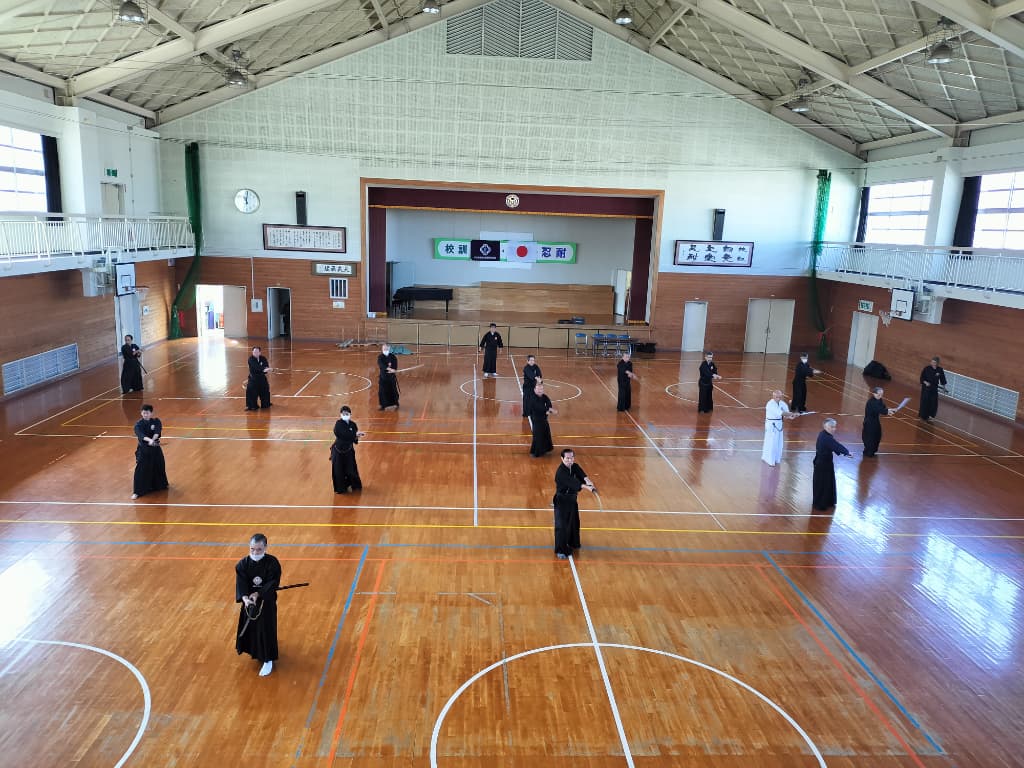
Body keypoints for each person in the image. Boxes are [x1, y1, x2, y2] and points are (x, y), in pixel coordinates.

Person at [235, 533, 281, 677]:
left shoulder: (272, 563)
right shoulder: (242, 564)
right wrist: (245, 599)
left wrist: (258, 594)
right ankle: (256, 651)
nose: (255, 553)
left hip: (266, 601)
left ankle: (268, 659)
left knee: (266, 629)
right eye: (252, 549)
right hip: (250, 603)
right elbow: (241, 583)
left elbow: (273, 582)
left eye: (259, 549)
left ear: (265, 547)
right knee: (252, 628)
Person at [552, 448, 596, 559]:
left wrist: (589, 481)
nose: (570, 460)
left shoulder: (574, 466)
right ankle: (560, 550)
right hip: (562, 500)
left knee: (573, 522)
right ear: (562, 458)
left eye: (572, 458)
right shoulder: (561, 472)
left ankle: (573, 543)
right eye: (567, 458)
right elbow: (574, 483)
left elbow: (581, 474)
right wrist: (587, 487)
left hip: (572, 499)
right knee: (561, 526)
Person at [812, 418, 851, 512]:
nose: (834, 429)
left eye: (834, 427)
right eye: (832, 427)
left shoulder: (824, 434)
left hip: (825, 463)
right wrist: (846, 453)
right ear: (825, 427)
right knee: (823, 484)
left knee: (827, 483)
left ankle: (827, 501)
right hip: (823, 464)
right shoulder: (826, 437)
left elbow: (833, 446)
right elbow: (836, 445)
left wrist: (844, 452)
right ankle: (820, 504)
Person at [132, 403, 168, 499]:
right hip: (144, 450)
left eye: (147, 413)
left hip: (155, 449)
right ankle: (137, 491)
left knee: (159, 465)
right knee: (141, 469)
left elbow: (157, 431)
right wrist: (149, 440)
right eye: (144, 413)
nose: (145, 415)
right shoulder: (138, 425)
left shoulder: (156, 421)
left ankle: (159, 485)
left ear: (151, 413)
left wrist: (153, 439)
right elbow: (141, 435)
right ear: (141, 413)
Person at [331, 405, 365, 494]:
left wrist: (357, 436)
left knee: (351, 469)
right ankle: (341, 488)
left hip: (349, 450)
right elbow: (341, 434)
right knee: (338, 470)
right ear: (341, 414)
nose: (345, 415)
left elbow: (354, 439)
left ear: (350, 414)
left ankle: (355, 485)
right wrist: (354, 435)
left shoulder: (353, 425)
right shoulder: (338, 424)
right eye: (343, 414)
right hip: (338, 451)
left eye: (347, 414)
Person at [762, 389, 796, 466]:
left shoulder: (782, 403)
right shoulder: (770, 404)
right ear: (773, 396)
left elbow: (786, 414)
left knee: (779, 443)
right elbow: (781, 413)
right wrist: (791, 413)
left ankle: (776, 459)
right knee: (772, 442)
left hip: (779, 424)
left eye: (780, 397)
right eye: (777, 397)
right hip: (771, 425)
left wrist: (791, 416)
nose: (778, 398)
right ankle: (770, 460)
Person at [862, 386, 896, 458]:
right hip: (869, 422)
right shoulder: (871, 402)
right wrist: (887, 411)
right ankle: (868, 451)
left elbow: (883, 407)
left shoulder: (879, 400)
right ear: (874, 393)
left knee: (877, 436)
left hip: (875, 421)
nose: (880, 396)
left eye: (881, 395)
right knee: (870, 437)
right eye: (878, 394)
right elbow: (879, 409)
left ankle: (872, 450)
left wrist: (890, 410)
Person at [528, 381, 556, 458]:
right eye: (538, 389)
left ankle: (545, 449)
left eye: (541, 389)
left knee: (545, 433)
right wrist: (548, 409)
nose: (540, 390)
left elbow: (548, 402)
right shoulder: (533, 398)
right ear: (534, 390)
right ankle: (535, 452)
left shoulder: (544, 397)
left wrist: (549, 409)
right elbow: (538, 407)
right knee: (538, 435)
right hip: (536, 419)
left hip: (544, 419)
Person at [918, 356, 947, 421]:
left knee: (933, 403)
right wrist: (926, 383)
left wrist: (944, 388)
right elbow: (922, 378)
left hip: (934, 389)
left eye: (934, 362)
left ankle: (931, 416)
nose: (932, 363)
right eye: (932, 362)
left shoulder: (940, 370)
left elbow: (943, 379)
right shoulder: (926, 368)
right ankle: (923, 416)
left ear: (937, 363)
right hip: (926, 389)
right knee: (925, 402)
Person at [245, 346, 272, 411]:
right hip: (253, 379)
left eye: (257, 352)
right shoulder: (251, 359)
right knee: (251, 392)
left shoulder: (263, 358)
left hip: (262, 378)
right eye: (254, 352)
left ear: (260, 352)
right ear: (252, 352)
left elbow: (266, 366)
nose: (255, 353)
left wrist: (266, 369)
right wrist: (264, 369)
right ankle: (251, 406)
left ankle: (266, 403)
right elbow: (256, 367)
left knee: (265, 391)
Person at [377, 343, 399, 411]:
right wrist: (389, 369)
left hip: (391, 378)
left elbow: (395, 365)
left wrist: (394, 370)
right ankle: (383, 406)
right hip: (383, 377)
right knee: (382, 391)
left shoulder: (393, 357)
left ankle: (396, 404)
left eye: (386, 349)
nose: (385, 350)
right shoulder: (380, 357)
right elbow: (381, 365)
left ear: (389, 349)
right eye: (384, 349)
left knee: (393, 391)